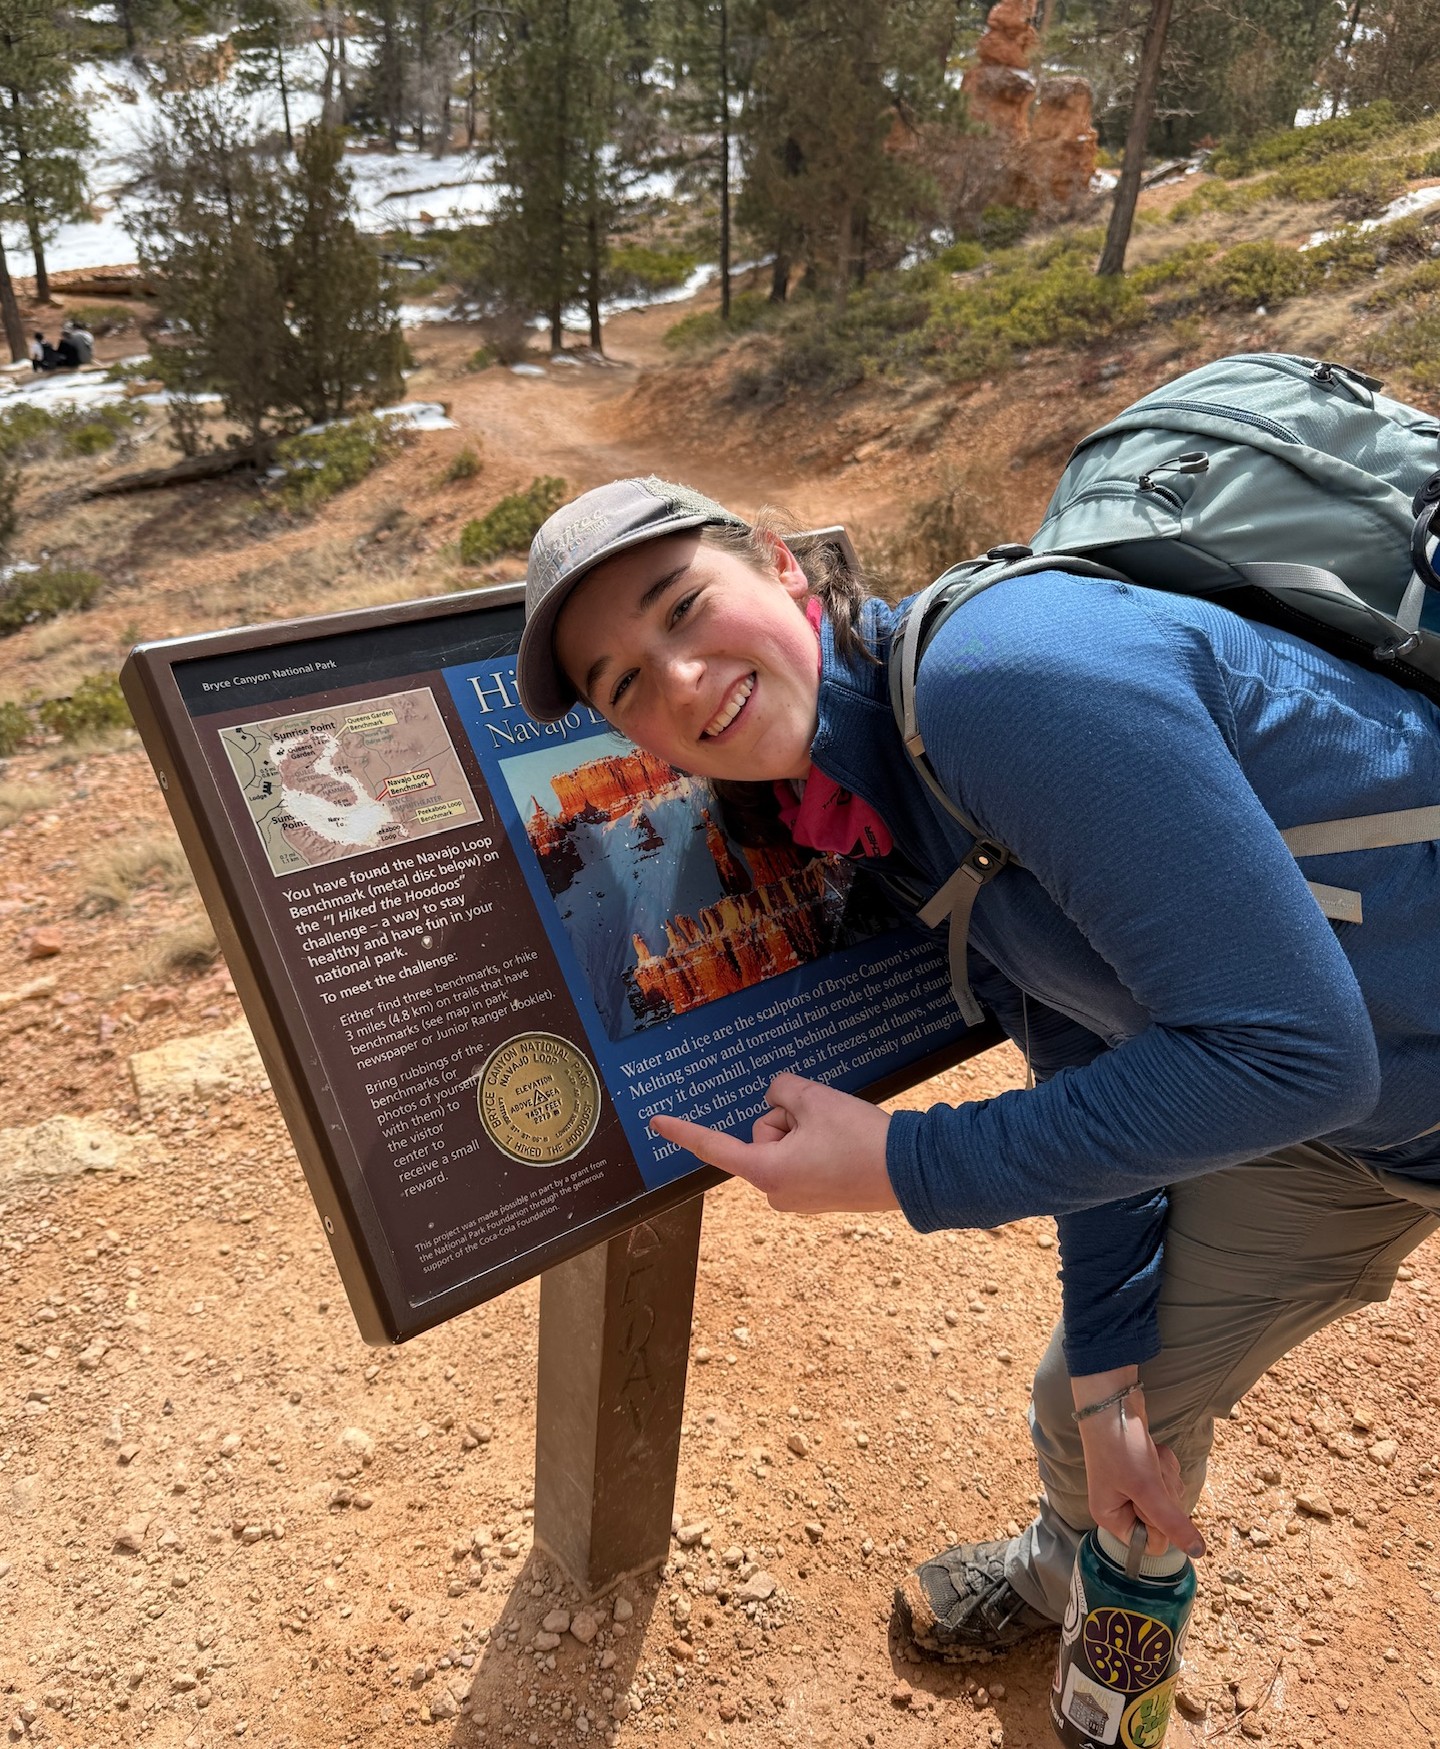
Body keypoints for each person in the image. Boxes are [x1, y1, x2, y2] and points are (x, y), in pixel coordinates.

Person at [514, 475, 1440, 1662]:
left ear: (784, 567)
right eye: (627, 683)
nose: (682, 682)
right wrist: (1107, 1386)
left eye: (684, 607)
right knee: (1092, 1393)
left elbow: (1295, 1052)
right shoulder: (869, 799)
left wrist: (910, 1163)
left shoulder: (999, 683)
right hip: (1348, 1112)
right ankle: (1079, 1584)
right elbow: (1082, 1038)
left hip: (1341, 1081)